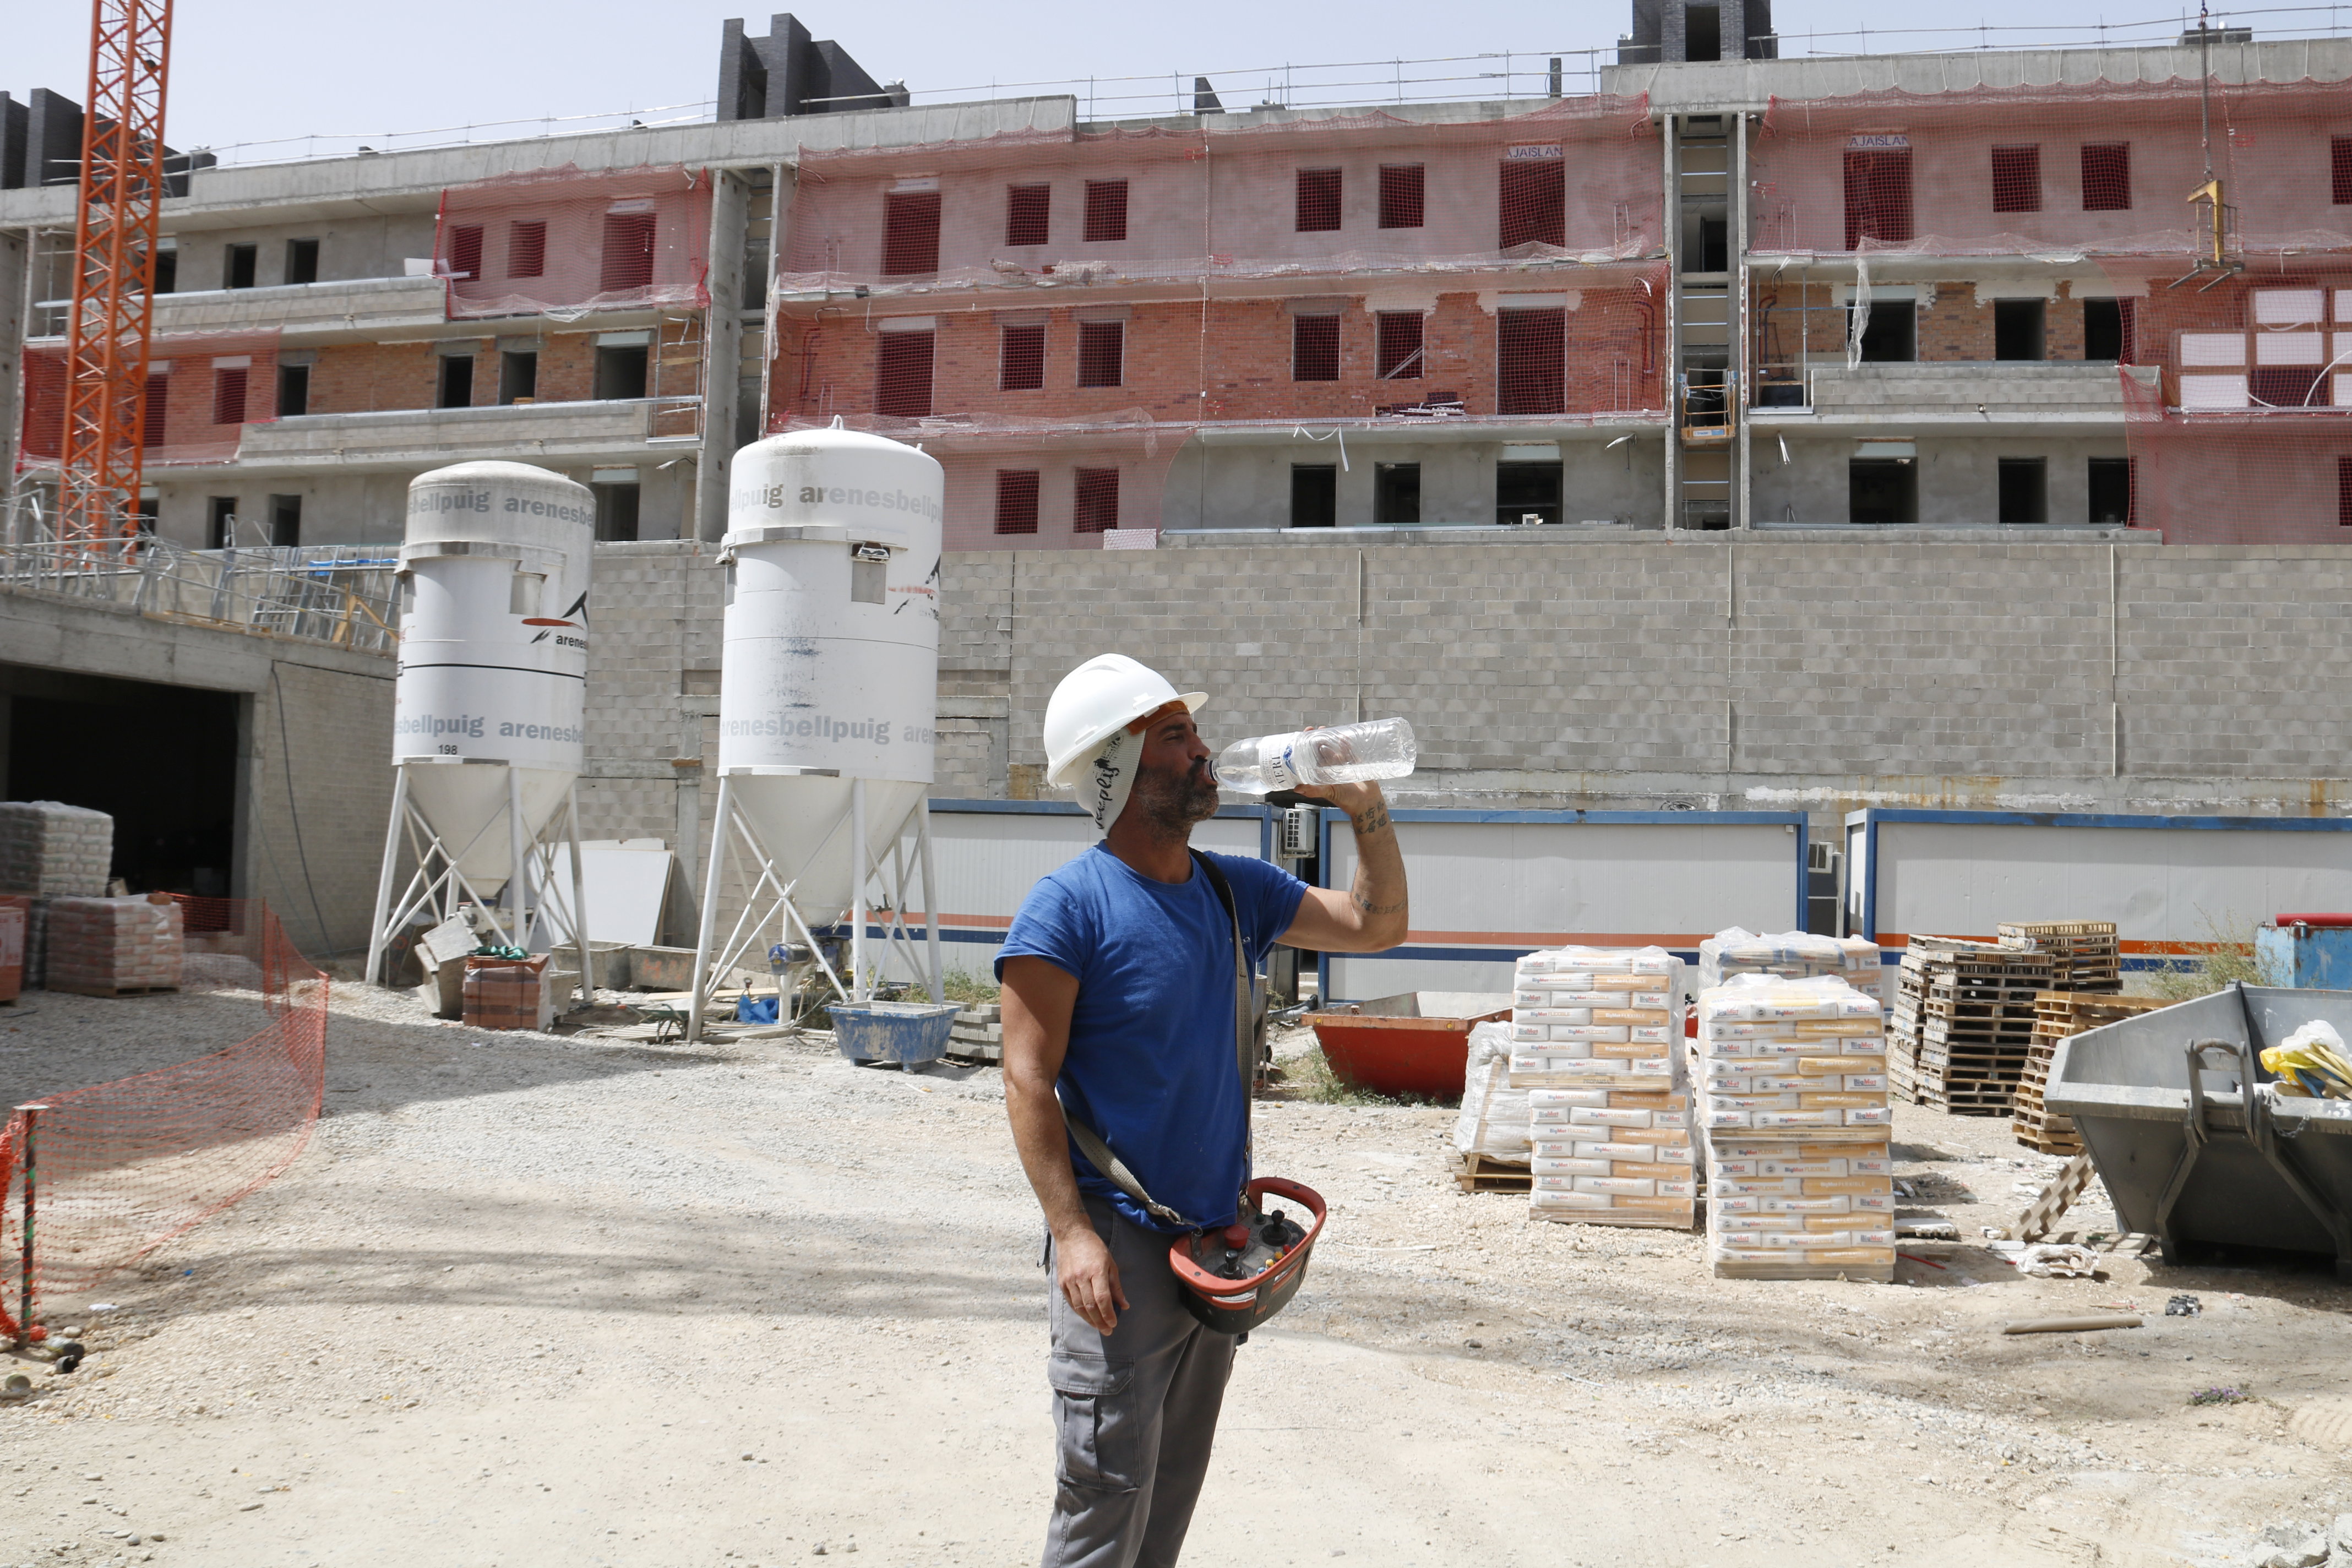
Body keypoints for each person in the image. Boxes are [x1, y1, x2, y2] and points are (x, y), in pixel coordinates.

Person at [997, 654, 1408, 1568]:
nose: (1205, 751)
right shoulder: (1068, 909)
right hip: (1119, 1252)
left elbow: (1377, 925)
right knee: (1104, 1496)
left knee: (1172, 1484)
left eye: (1193, 732)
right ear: (1118, 768)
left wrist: (1363, 808)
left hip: (1212, 1250)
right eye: (1176, 736)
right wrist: (1072, 1235)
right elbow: (1027, 1081)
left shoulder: (1233, 890)